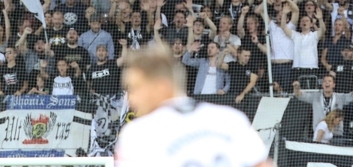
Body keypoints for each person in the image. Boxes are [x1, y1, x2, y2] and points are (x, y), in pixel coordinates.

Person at [115, 45, 269, 167]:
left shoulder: (138, 134)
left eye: (135, 88)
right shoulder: (231, 119)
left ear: (161, 86)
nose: (130, 98)